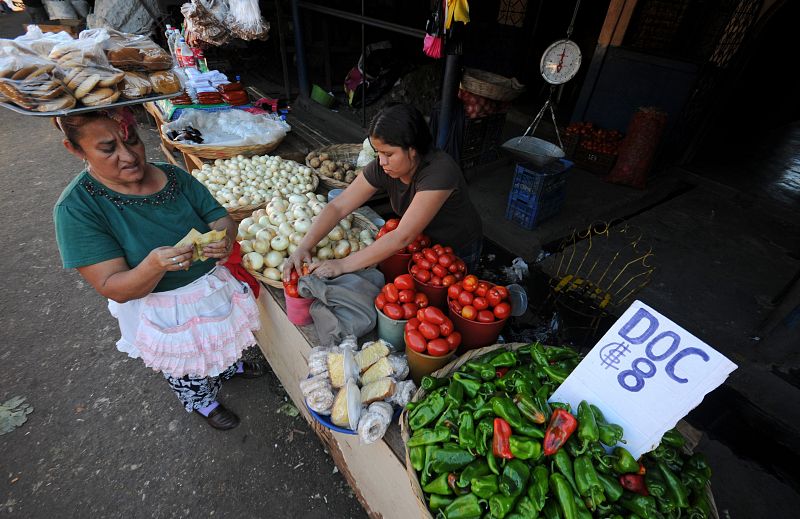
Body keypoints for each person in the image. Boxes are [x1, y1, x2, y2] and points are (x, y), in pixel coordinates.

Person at [52, 108, 264, 431]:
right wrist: (152, 266)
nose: (129, 156)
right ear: (75, 149)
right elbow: (113, 285)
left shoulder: (173, 176)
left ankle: (224, 368)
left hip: (209, 287)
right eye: (108, 149)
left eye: (133, 140)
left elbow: (217, 214)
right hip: (160, 305)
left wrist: (224, 237)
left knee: (218, 336)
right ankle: (201, 400)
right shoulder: (77, 209)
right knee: (184, 364)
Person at [285, 102, 483, 279]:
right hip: (422, 244)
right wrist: (304, 247)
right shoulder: (384, 167)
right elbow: (337, 206)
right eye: (378, 152)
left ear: (412, 149)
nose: (382, 161)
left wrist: (341, 265)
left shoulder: (440, 172)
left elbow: (402, 236)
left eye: (388, 153)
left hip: (457, 247)